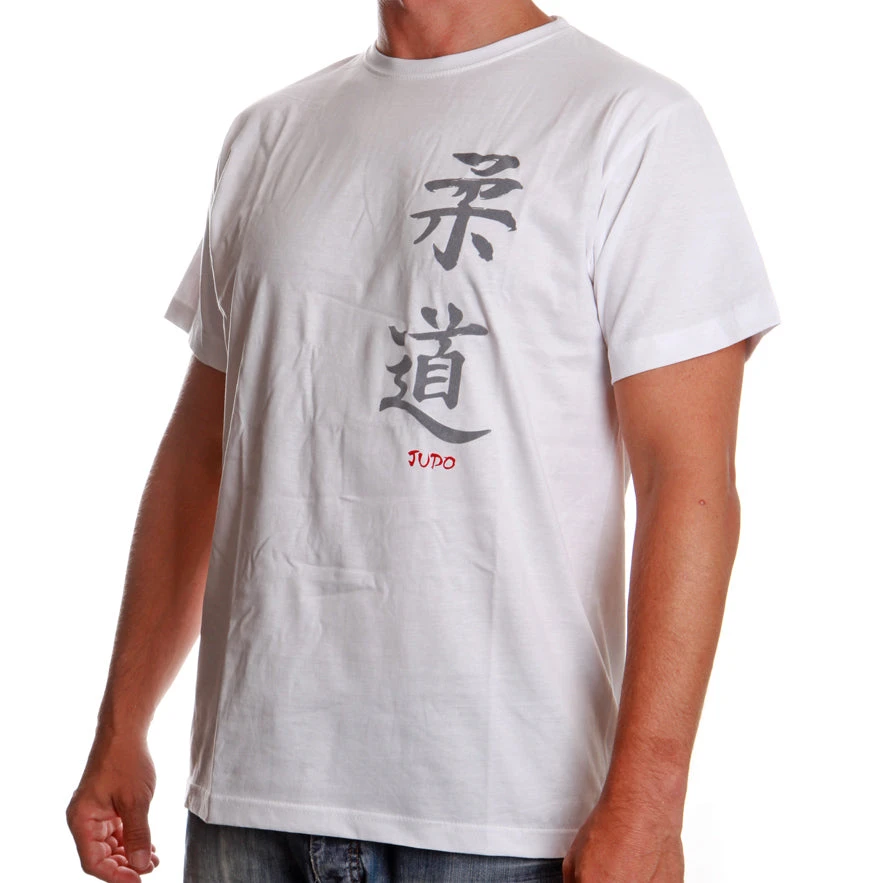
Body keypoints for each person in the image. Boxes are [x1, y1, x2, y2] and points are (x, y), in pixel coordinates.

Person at [66, 2, 781, 881]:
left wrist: (649, 802)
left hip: (506, 816)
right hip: (251, 800)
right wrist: (122, 724)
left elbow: (687, 482)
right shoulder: (270, 134)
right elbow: (203, 454)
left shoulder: (630, 123)